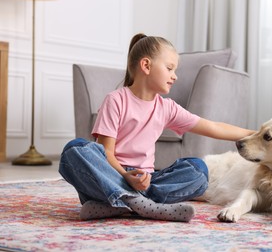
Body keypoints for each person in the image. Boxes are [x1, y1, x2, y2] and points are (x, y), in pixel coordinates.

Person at [59, 33, 255, 222]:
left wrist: (256, 134)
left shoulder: (166, 107)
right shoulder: (116, 100)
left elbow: (212, 127)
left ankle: (122, 205)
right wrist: (127, 176)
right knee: (74, 149)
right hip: (110, 177)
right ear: (146, 65)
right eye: (170, 68)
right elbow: (106, 153)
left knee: (199, 169)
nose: (174, 76)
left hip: (146, 182)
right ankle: (138, 202)